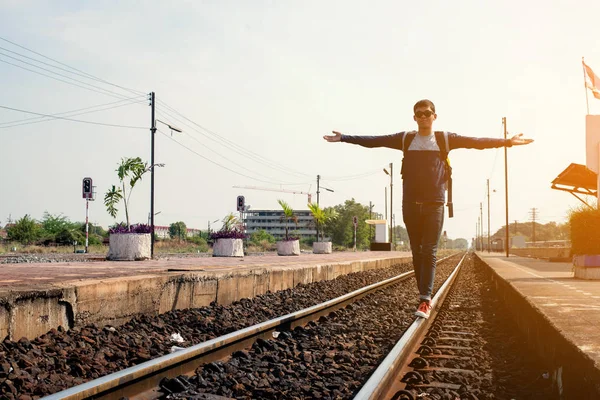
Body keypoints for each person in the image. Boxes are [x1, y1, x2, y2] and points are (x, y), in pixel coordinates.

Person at [323, 99, 533, 318]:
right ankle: (424, 294)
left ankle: (425, 300)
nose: (423, 117)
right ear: (414, 118)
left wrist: (507, 142)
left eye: (427, 113)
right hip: (410, 204)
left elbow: (476, 142)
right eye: (419, 114)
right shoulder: (406, 139)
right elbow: (376, 140)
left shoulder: (444, 139)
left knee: (429, 250)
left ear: (435, 116)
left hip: (435, 204)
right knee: (417, 251)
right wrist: (345, 138)